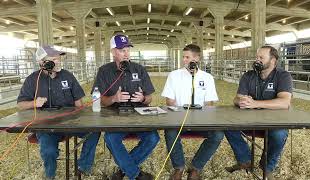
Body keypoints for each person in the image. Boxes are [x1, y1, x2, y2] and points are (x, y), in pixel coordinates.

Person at [17, 46, 100, 180]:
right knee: (49, 151)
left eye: (59, 58)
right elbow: (20, 104)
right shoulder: (33, 79)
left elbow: (79, 102)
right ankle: (50, 175)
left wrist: (82, 117)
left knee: (94, 131)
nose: (59, 61)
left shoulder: (67, 75)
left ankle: (84, 166)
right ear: (42, 63)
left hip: (71, 122)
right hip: (46, 126)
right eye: (54, 59)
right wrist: (34, 103)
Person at [93, 34, 159, 180]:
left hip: (138, 115)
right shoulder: (104, 71)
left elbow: (150, 97)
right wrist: (114, 98)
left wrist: (143, 98)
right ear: (113, 51)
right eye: (122, 50)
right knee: (110, 138)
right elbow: (100, 100)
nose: (126, 53)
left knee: (153, 138)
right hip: (114, 117)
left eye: (128, 49)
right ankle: (135, 174)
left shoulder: (139, 69)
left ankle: (124, 170)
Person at [224, 45, 293, 179]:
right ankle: (245, 160)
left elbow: (285, 102)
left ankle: (266, 167)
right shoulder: (248, 75)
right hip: (249, 119)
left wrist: (255, 103)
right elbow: (236, 98)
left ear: (273, 61)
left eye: (261, 57)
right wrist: (241, 100)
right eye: (256, 57)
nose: (257, 60)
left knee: (279, 134)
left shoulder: (283, 76)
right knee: (226, 125)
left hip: (275, 120)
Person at [161, 44, 224, 180]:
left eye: (187, 57)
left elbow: (209, 104)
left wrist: (201, 117)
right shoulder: (174, 75)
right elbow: (169, 101)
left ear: (197, 58)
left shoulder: (207, 77)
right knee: (170, 132)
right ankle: (179, 167)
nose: (184, 60)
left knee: (218, 134)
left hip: (201, 121)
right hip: (179, 120)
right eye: (183, 57)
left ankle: (196, 167)